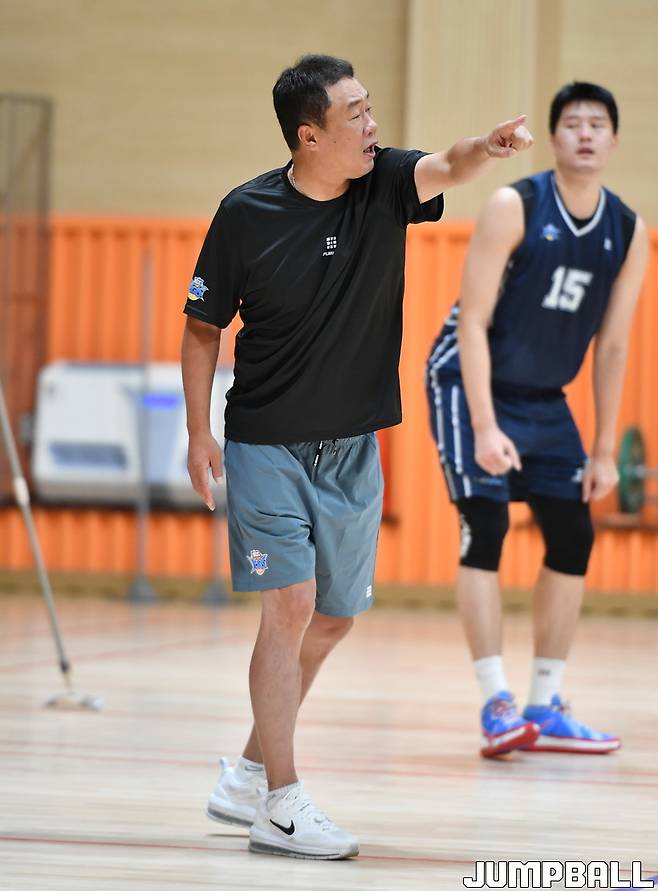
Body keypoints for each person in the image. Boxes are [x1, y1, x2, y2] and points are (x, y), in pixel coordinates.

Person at [182, 53, 532, 859]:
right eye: (356, 115)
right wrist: (199, 433)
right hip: (266, 442)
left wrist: (487, 146)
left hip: (351, 449)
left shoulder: (386, 184)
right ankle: (282, 803)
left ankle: (247, 773)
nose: (373, 126)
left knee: (333, 616)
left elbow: (450, 164)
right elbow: (203, 329)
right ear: (309, 136)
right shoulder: (245, 213)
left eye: (371, 109)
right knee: (291, 606)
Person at [425, 82, 648, 759]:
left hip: (546, 398)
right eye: (572, 123)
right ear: (553, 138)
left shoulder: (628, 230)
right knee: (486, 526)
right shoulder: (513, 205)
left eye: (597, 124)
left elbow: (613, 347)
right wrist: (485, 426)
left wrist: (604, 449)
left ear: (614, 140)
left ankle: (545, 704)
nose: (585, 133)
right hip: (467, 381)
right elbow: (472, 323)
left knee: (573, 533)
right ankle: (495, 702)